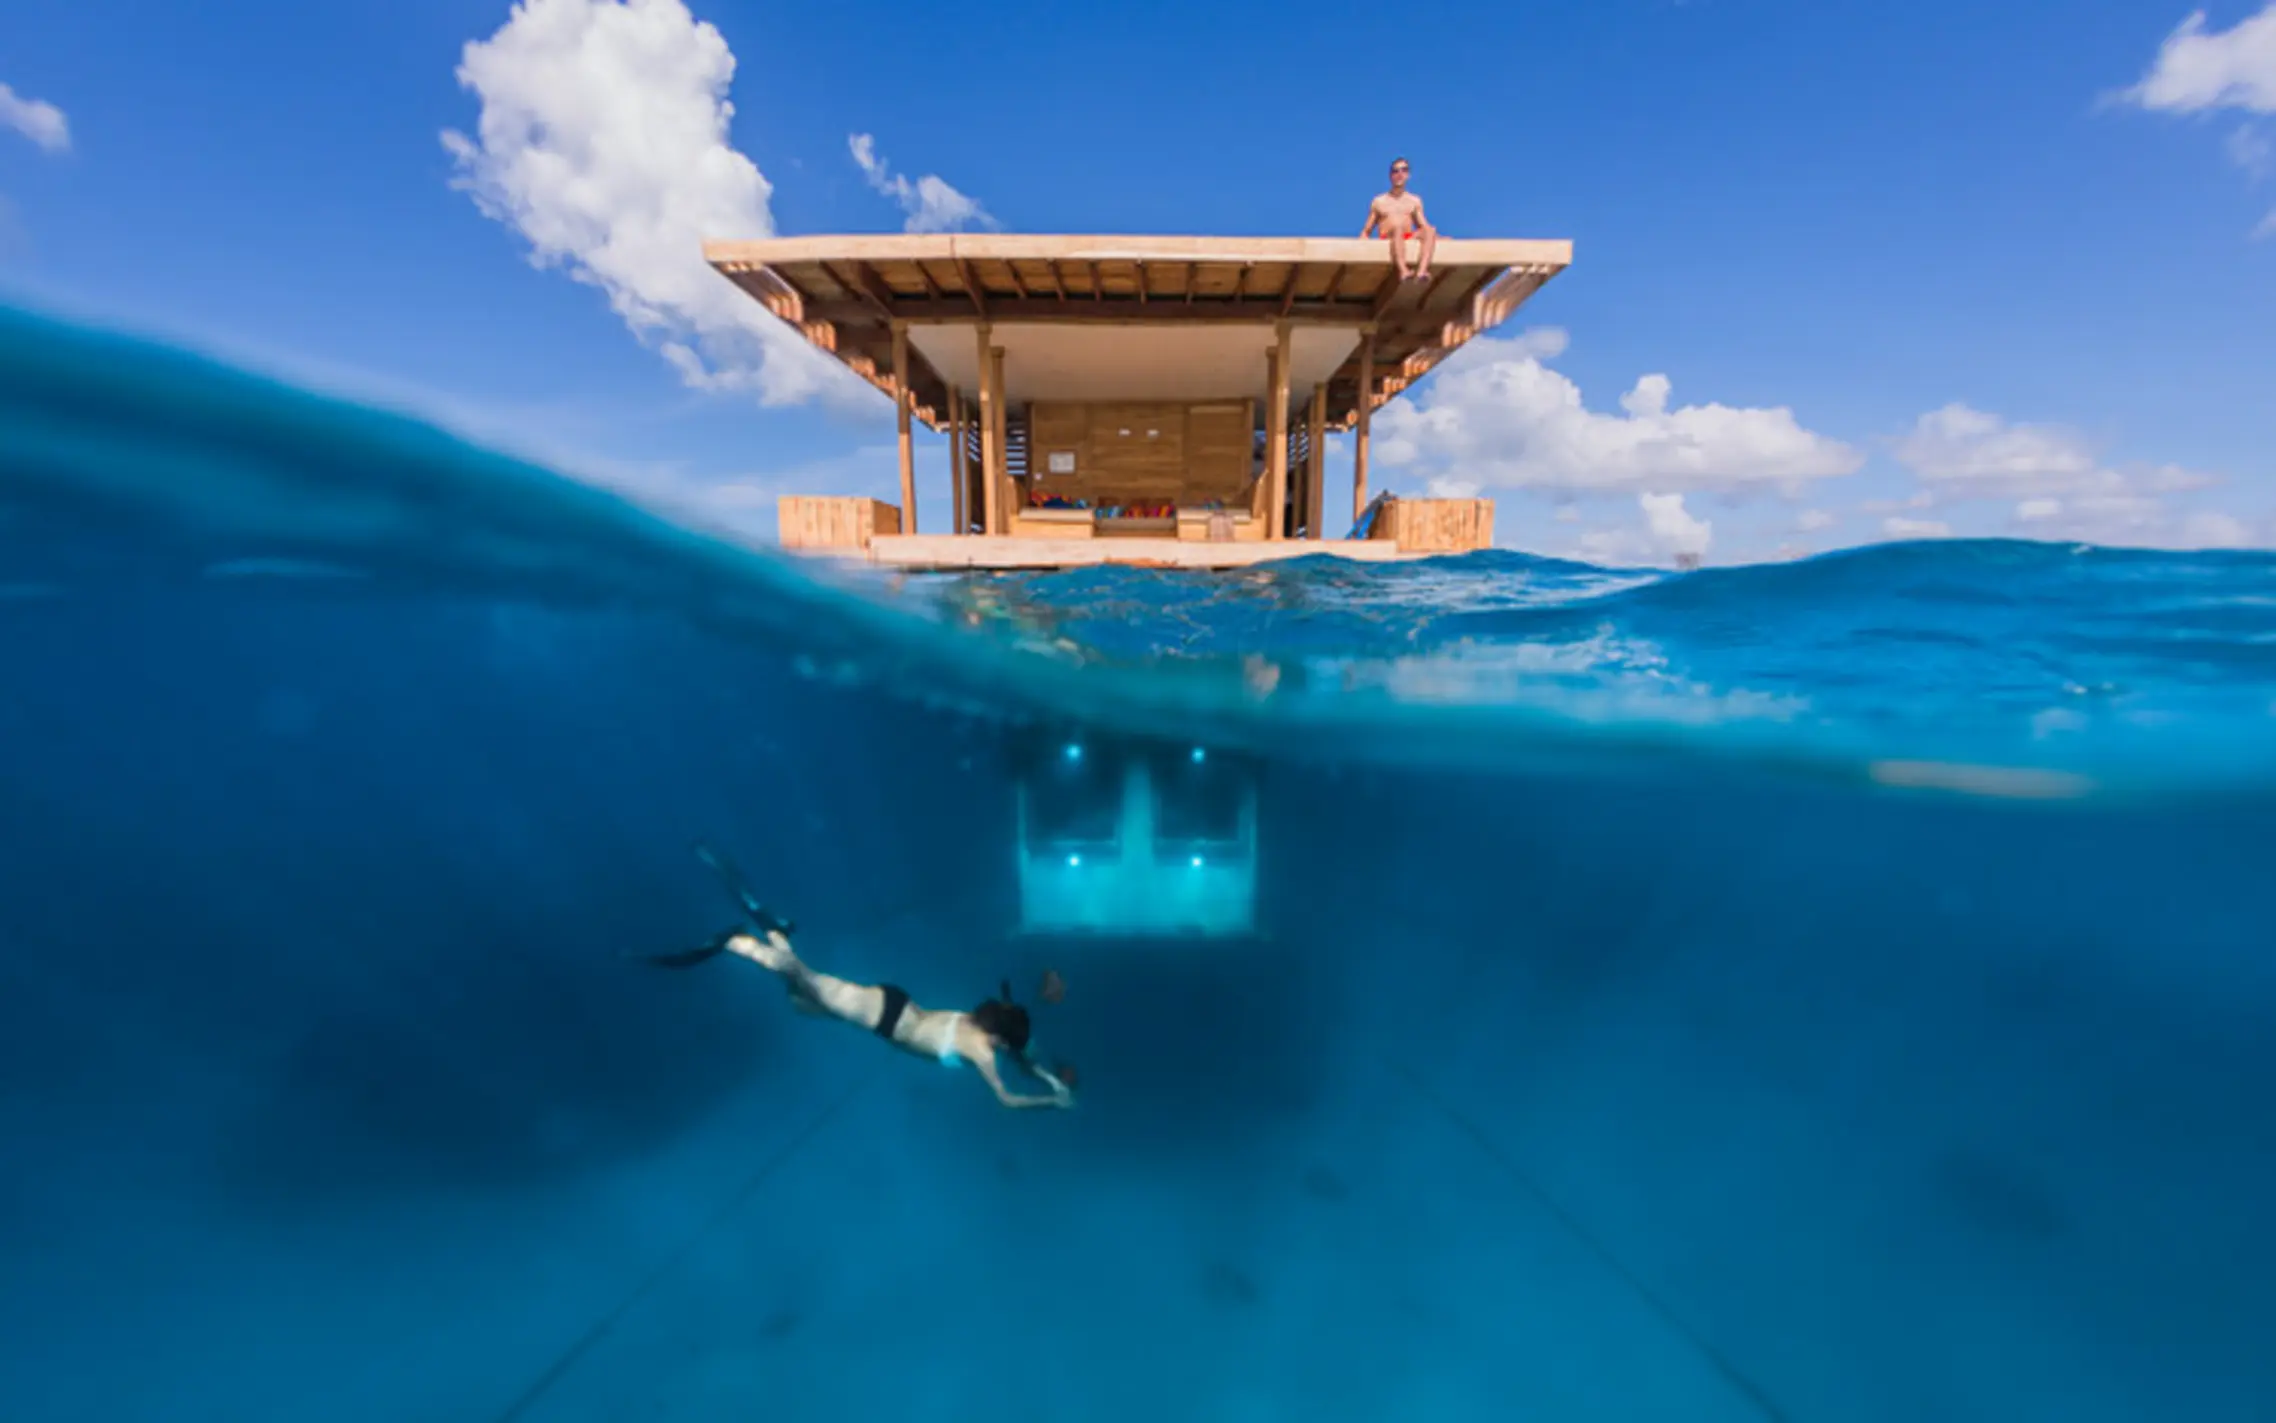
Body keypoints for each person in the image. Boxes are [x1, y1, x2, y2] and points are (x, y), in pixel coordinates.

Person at [634, 844, 1077, 1111]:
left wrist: (1050, 1079)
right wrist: (1050, 1101)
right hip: (880, 1016)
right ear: (999, 1038)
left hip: (893, 1007)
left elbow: (1021, 1057)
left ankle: (774, 928)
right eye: (1005, 1045)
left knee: (800, 1000)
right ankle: (738, 943)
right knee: (803, 977)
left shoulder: (983, 1028)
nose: (1003, 1051)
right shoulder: (982, 1052)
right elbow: (1006, 1100)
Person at [1361, 157, 1436, 283]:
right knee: (1398, 228)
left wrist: (1436, 236)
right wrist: (1362, 244)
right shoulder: (1379, 201)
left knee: (1430, 230)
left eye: (1403, 170)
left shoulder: (1414, 201)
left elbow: (1423, 226)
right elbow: (1367, 230)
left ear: (1408, 175)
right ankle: (1403, 271)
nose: (1399, 174)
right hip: (1389, 237)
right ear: (1390, 175)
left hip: (1407, 236)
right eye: (1396, 171)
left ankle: (1422, 271)